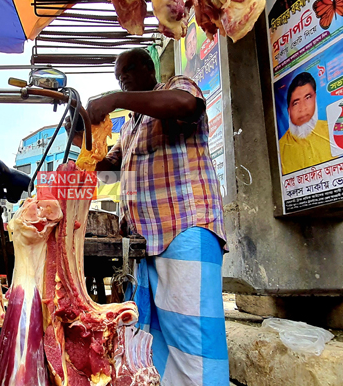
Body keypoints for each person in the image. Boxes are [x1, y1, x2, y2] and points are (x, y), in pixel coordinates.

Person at [71, 48, 229, 385]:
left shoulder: (176, 88)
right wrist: (80, 130)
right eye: (117, 78)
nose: (122, 80)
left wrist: (115, 98)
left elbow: (188, 106)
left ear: (147, 67)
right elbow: (109, 164)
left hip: (184, 227)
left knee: (194, 340)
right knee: (154, 341)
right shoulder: (132, 125)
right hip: (146, 242)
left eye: (126, 71)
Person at [278, 72, 333, 175]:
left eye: (307, 98)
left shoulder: (331, 130)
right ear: (289, 110)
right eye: (296, 103)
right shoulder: (280, 149)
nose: (302, 108)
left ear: (315, 98)